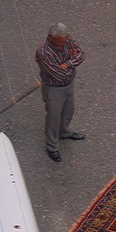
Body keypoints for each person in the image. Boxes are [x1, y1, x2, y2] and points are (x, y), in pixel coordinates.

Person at [36, 22, 87, 163]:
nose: (64, 44)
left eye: (65, 41)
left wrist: (67, 64)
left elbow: (81, 54)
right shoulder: (44, 52)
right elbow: (58, 75)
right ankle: (52, 147)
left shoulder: (66, 39)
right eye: (60, 42)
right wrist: (73, 62)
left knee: (68, 112)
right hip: (54, 89)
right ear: (51, 38)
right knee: (53, 119)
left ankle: (63, 132)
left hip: (68, 85)